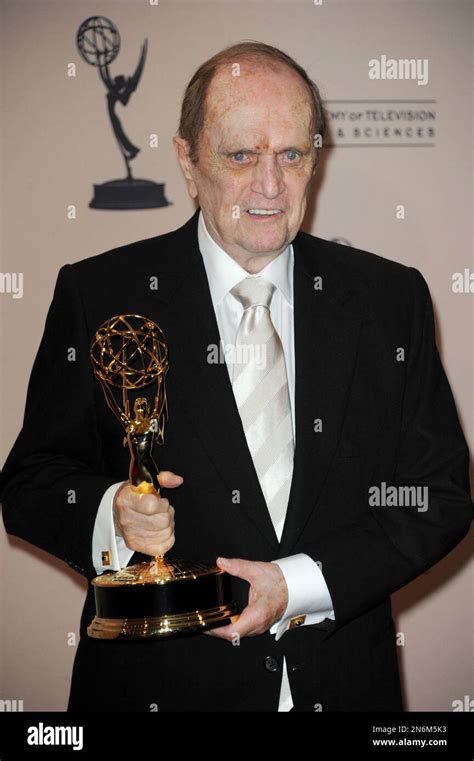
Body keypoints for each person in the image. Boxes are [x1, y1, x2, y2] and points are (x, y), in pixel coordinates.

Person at [1, 41, 471, 712]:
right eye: (241, 155)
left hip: (343, 689)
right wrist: (113, 514)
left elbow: (437, 495)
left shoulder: (389, 300)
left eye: (292, 155)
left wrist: (301, 584)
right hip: (156, 691)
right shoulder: (99, 293)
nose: (271, 186)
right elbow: (30, 483)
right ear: (188, 161)